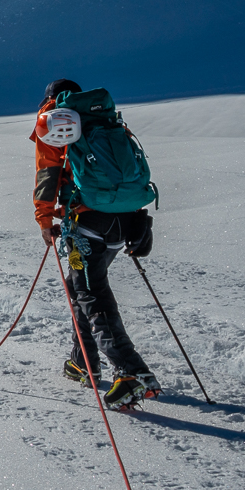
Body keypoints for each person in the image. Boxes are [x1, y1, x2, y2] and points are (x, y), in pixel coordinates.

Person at [33, 78, 160, 410]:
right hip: (126, 220)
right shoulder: (104, 116)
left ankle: (131, 372)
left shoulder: (55, 117)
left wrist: (45, 220)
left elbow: (48, 172)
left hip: (89, 223)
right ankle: (83, 362)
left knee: (91, 295)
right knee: (82, 288)